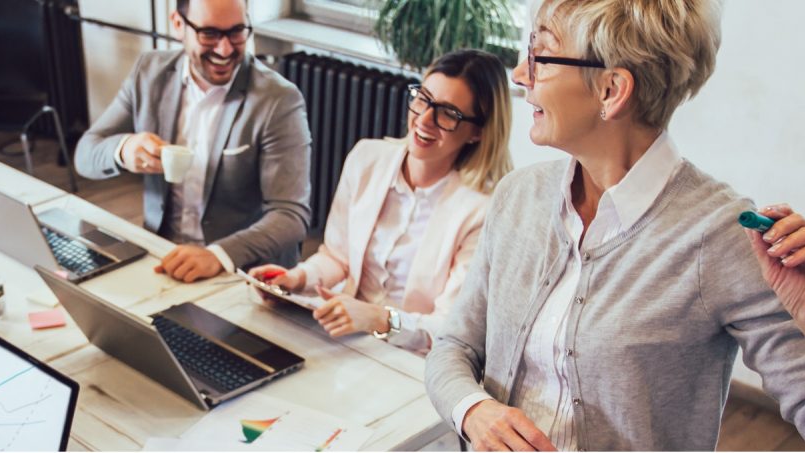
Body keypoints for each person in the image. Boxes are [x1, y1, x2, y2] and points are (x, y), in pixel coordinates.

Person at [424, 0, 805, 450]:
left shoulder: (722, 236)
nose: (519, 73)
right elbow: (453, 347)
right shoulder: (518, 196)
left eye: (540, 55)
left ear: (611, 90)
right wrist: (474, 411)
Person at [246, 49, 513, 352]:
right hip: (341, 336)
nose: (424, 119)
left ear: (477, 132)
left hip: (412, 357)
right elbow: (337, 257)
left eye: (448, 113)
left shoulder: (482, 210)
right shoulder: (367, 158)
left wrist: (378, 318)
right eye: (422, 99)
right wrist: (297, 277)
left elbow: (450, 329)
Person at [74, 0, 312, 283]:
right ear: (178, 25)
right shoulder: (149, 73)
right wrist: (123, 150)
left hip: (240, 270)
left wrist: (218, 255)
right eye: (209, 34)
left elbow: (290, 215)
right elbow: (85, 154)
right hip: (162, 256)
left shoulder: (278, 99)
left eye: (237, 32)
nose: (225, 50)